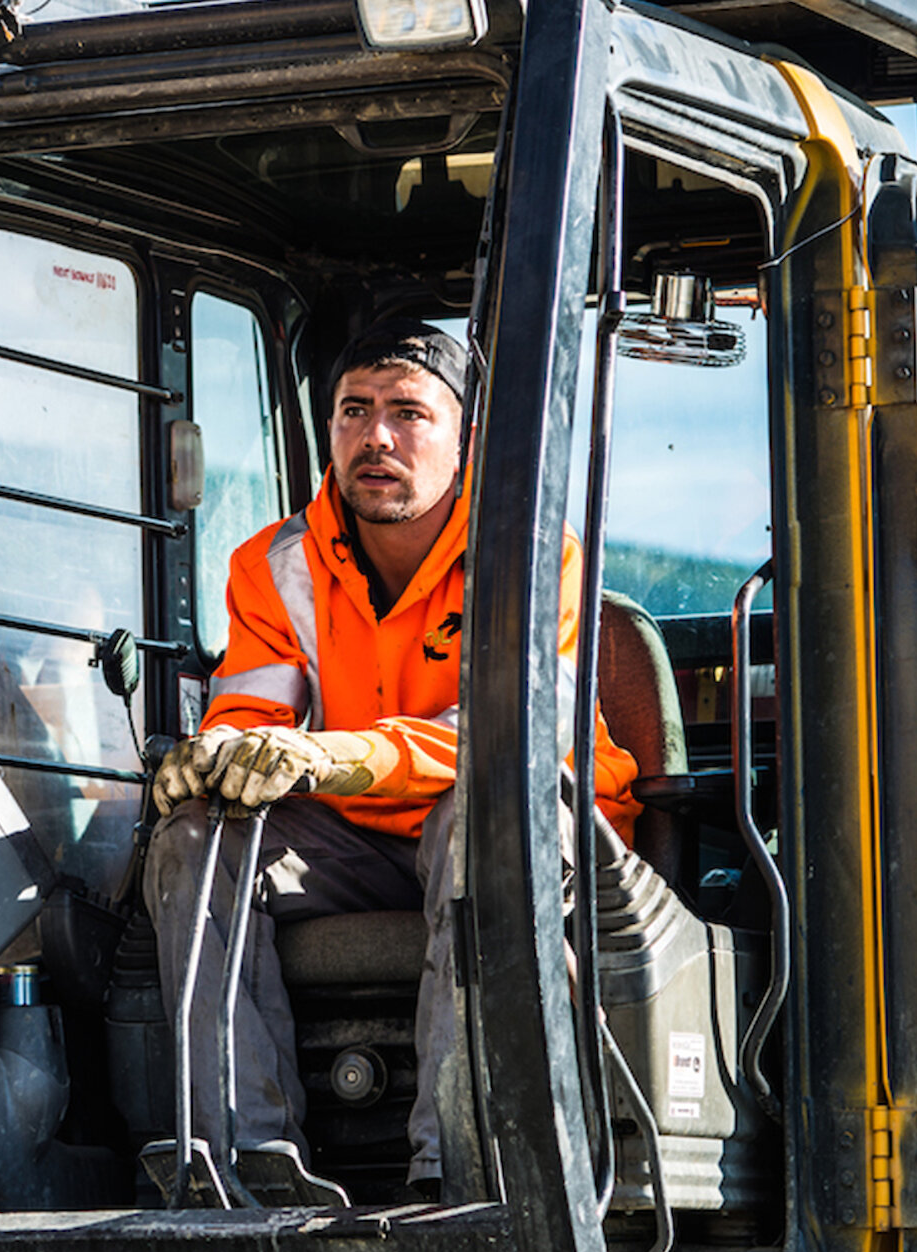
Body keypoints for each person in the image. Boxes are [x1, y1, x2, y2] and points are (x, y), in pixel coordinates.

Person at [144, 316, 641, 1205]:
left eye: (408, 413)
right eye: (353, 411)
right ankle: (236, 1167)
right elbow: (255, 707)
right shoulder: (273, 565)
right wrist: (217, 753)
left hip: (526, 831)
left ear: (467, 441)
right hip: (358, 845)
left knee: (474, 824)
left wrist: (334, 757)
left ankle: (459, 1169)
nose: (375, 436)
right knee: (194, 840)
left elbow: (503, 741)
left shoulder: (531, 562)